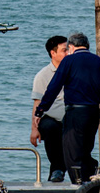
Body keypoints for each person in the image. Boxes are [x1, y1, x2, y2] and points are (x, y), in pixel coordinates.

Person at [34, 32, 100, 183]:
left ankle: (79, 186)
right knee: (85, 149)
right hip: (93, 112)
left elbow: (53, 88)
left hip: (75, 112)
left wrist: (40, 110)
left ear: (72, 46)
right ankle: (90, 179)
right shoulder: (99, 62)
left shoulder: (68, 61)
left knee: (72, 153)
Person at [29, 35, 71, 183]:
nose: (67, 53)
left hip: (70, 116)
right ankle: (57, 170)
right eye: (64, 50)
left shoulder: (72, 70)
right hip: (49, 118)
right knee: (51, 127)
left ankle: (83, 167)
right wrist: (34, 130)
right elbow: (37, 104)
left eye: (68, 50)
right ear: (53, 53)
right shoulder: (42, 75)